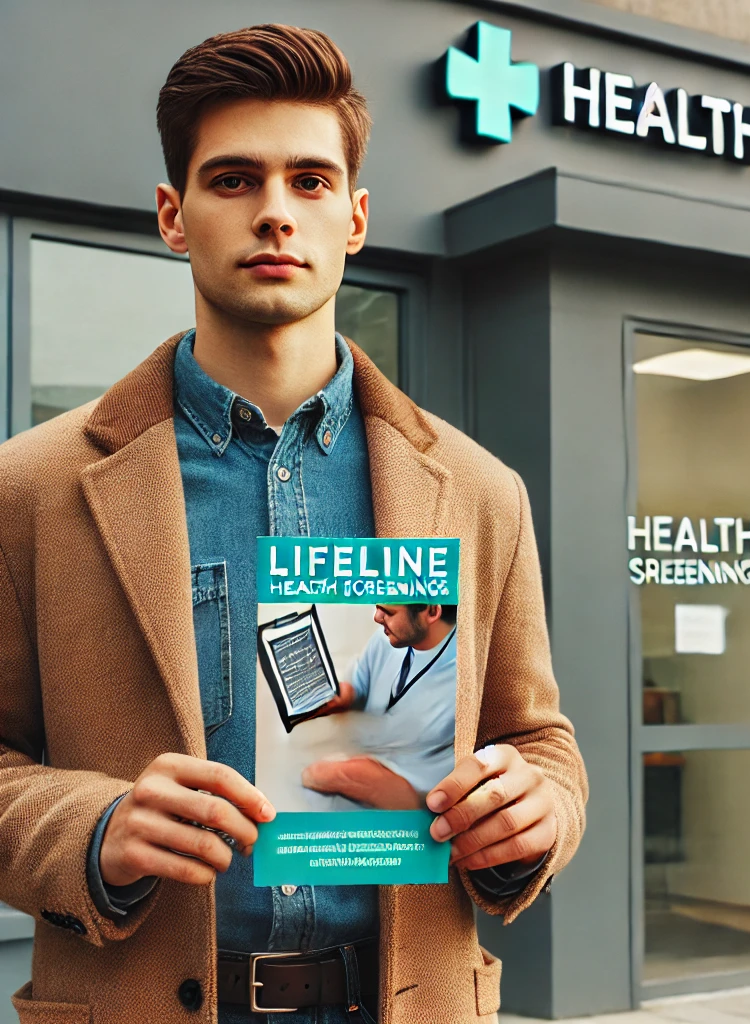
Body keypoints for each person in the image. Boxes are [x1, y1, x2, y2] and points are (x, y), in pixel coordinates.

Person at [0, 23, 587, 1024]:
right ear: (172, 215)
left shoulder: (482, 489)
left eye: (309, 182)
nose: (276, 212)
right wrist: (93, 826)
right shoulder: (35, 487)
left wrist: (540, 808)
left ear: (355, 218)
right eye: (233, 180)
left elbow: (538, 741)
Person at [301, 604, 458, 810]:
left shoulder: (465, 671)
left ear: (431, 612)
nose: (377, 617)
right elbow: (358, 686)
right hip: (364, 768)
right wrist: (338, 696)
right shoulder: (385, 639)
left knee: (314, 775)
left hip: (418, 800)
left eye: (389, 612)